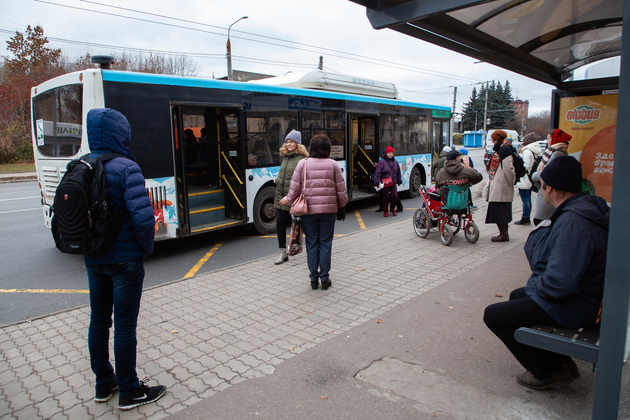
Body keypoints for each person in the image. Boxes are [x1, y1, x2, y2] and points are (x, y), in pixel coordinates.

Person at [483, 156, 609, 390]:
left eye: (541, 185)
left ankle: (550, 370)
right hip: (587, 296)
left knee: (493, 315)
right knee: (518, 296)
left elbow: (560, 283)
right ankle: (560, 362)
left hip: (578, 305)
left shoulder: (573, 223)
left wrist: (535, 286)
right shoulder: (583, 207)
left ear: (549, 188)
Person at [84, 108, 166, 410]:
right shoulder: (126, 167)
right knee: (125, 326)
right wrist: (144, 249)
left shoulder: (81, 165)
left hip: (93, 259)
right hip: (125, 262)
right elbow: (144, 221)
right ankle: (131, 391)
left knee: (98, 321)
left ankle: (104, 383)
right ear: (121, 134)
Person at [279, 134, 348, 291]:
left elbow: (294, 188)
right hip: (329, 211)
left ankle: (313, 279)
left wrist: (289, 202)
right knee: (325, 243)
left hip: (308, 211)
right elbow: (341, 190)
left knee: (312, 243)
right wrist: (342, 208)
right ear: (328, 148)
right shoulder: (333, 165)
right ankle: (325, 279)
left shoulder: (303, 164)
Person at [273, 129, 309, 265]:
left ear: (297, 144)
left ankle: (310, 252)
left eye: (291, 142)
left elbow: (302, 181)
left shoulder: (303, 160)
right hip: (280, 197)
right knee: (280, 224)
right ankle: (283, 253)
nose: (288, 145)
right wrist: (277, 178)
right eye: (287, 142)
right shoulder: (285, 156)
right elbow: (286, 174)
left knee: (301, 226)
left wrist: (289, 196)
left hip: (293, 199)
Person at [531, 129, 572, 225]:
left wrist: (534, 175)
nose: (548, 141)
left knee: (541, 222)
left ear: (555, 139)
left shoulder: (557, 153)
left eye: (549, 138)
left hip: (547, 195)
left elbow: (547, 172)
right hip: (547, 194)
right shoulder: (557, 151)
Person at [485, 130, 516, 242]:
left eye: (493, 140)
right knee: (500, 211)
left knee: (500, 211)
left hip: (502, 185)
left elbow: (509, 169)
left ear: (497, 140)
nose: (492, 142)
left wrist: (511, 182)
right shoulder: (503, 148)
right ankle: (503, 233)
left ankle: (504, 234)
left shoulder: (505, 150)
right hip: (499, 184)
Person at [514, 132, 542, 225]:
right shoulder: (533, 151)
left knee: (525, 199)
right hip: (529, 177)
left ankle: (525, 217)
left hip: (525, 178)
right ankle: (526, 216)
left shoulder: (527, 151)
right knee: (528, 198)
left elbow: (525, 165)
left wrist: (519, 170)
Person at [374, 146, 402, 217]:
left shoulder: (395, 162)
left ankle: (392, 209)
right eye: (389, 153)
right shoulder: (382, 162)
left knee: (395, 196)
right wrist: (377, 181)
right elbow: (378, 172)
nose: (391, 154)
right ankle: (385, 211)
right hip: (385, 182)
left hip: (393, 181)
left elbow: (398, 171)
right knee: (385, 197)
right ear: (386, 154)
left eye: (392, 153)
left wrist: (399, 180)